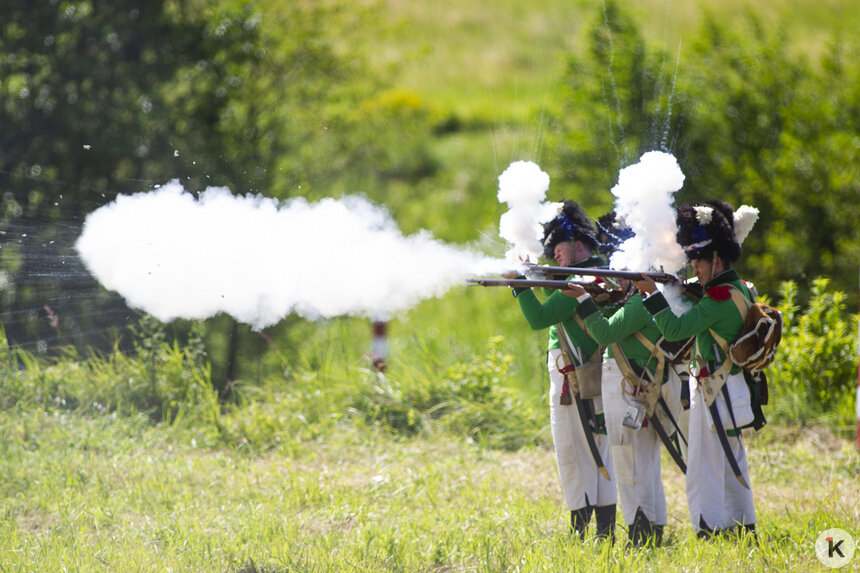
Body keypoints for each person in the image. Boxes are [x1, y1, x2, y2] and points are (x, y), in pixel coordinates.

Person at [633, 200, 759, 539]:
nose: (694, 265)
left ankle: (709, 529)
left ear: (717, 258)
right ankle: (743, 526)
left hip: (714, 392)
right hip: (730, 389)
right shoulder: (741, 289)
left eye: (699, 259)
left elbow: (674, 331)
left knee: (704, 467)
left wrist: (652, 296)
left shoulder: (718, 297)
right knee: (733, 463)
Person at [560, 212, 682, 547]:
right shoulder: (653, 301)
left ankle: (639, 535)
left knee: (629, 464)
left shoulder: (642, 303)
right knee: (644, 464)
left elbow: (604, 332)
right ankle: (653, 529)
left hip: (630, 390)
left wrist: (584, 300)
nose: (621, 280)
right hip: (643, 388)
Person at [511, 201, 617, 541]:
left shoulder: (581, 279)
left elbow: (539, 319)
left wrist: (519, 287)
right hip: (592, 372)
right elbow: (558, 303)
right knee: (600, 450)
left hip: (572, 373)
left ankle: (579, 530)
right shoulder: (599, 273)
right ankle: (605, 531)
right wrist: (539, 278)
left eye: (559, 248)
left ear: (578, 245)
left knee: (573, 451)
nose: (555, 255)